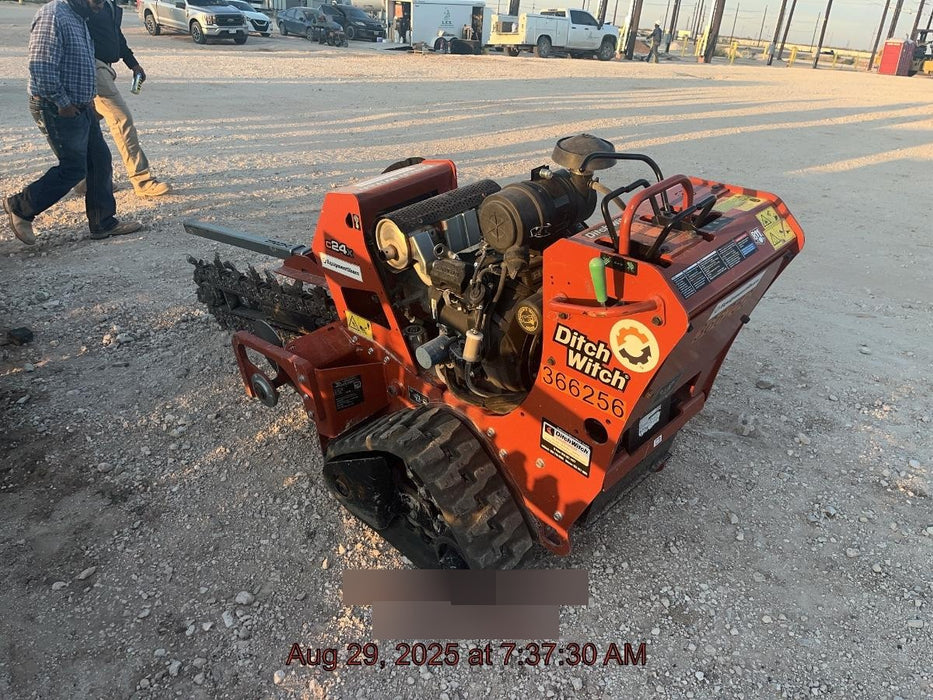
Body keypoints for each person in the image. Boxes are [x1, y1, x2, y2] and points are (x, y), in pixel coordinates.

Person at [3, 0, 141, 245]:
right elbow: (41, 68)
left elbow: (82, 63)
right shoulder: (54, 16)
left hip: (81, 106)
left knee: (99, 160)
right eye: (97, 1)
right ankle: (20, 207)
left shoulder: (80, 17)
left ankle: (103, 222)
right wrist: (63, 103)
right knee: (74, 168)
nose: (100, 6)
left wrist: (88, 100)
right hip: (56, 107)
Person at [83, 0, 171, 198]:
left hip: (105, 68)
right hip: (93, 67)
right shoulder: (87, 4)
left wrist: (133, 64)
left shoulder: (109, 4)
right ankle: (142, 180)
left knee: (88, 124)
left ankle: (86, 179)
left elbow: (116, 35)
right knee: (121, 119)